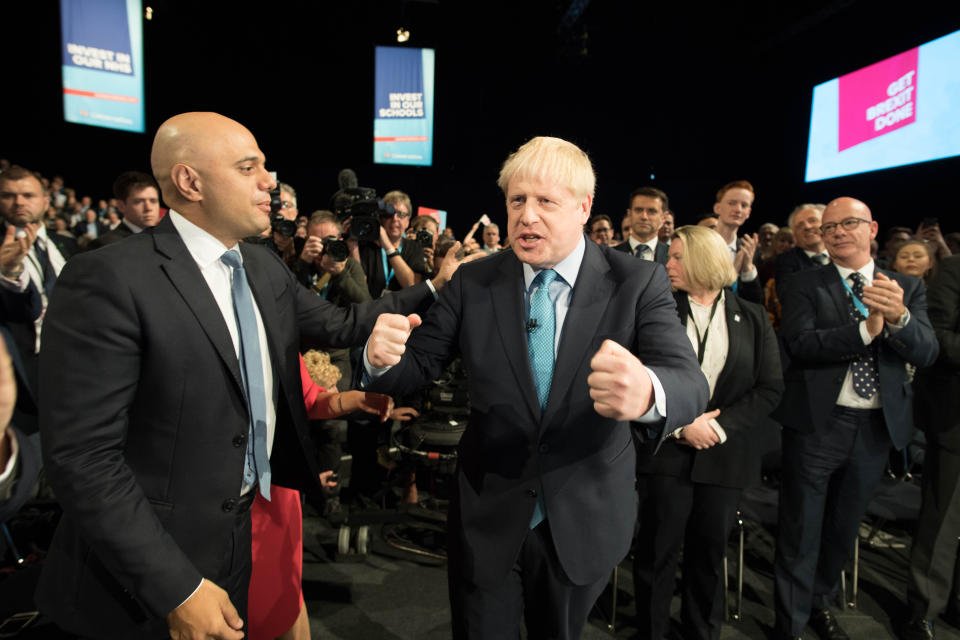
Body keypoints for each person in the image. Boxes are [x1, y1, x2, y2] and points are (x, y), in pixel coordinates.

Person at [34, 112, 462, 639]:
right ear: (190, 181)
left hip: (242, 539)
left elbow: (343, 322)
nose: (270, 182)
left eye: (266, 166)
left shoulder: (261, 268)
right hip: (141, 575)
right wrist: (177, 586)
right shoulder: (108, 277)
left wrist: (437, 287)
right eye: (248, 167)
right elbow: (83, 458)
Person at [362, 136, 707, 639]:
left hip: (583, 516)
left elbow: (688, 381)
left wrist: (649, 392)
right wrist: (379, 360)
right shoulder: (472, 282)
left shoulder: (637, 283)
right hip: (488, 512)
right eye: (517, 201)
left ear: (584, 207)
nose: (527, 216)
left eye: (545, 201)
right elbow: (417, 366)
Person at [772, 197, 939, 640]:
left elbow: (927, 351)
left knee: (844, 528)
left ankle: (819, 605)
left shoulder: (905, 286)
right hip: (817, 425)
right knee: (800, 528)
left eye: (849, 223)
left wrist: (900, 318)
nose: (839, 232)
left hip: (875, 429)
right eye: (830, 228)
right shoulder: (804, 283)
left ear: (872, 229)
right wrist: (865, 331)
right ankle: (788, 622)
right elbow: (801, 343)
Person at [634, 225, 783, 640]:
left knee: (708, 556)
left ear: (704, 261)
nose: (669, 263)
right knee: (656, 554)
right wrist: (682, 423)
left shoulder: (751, 316)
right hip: (665, 453)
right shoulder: (656, 309)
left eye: (678, 257)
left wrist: (715, 426)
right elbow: (640, 378)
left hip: (724, 456)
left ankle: (703, 631)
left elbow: (770, 387)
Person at [903, 254, 960, 640]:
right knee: (941, 523)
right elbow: (938, 338)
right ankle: (922, 612)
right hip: (954, 421)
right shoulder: (954, 269)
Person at [88, 171, 162, 249]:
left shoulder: (169, 239)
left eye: (153, 201)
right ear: (121, 206)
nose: (149, 208)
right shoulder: (104, 246)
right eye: (139, 201)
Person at [614, 186, 669, 263]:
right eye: (638, 210)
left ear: (663, 217)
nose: (644, 217)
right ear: (629, 214)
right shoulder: (611, 255)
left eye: (651, 211)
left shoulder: (672, 255)